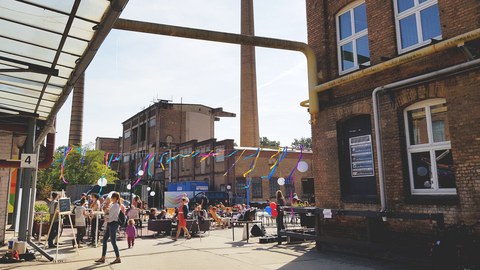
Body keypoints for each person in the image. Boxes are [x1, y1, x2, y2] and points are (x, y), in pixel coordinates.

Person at [95, 192, 121, 264]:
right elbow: (108, 214)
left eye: (112, 198)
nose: (111, 199)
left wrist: (106, 214)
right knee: (105, 240)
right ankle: (103, 257)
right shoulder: (113, 205)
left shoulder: (116, 205)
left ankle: (117, 257)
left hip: (113, 223)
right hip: (110, 223)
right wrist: (106, 213)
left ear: (115, 198)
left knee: (113, 241)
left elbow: (110, 215)